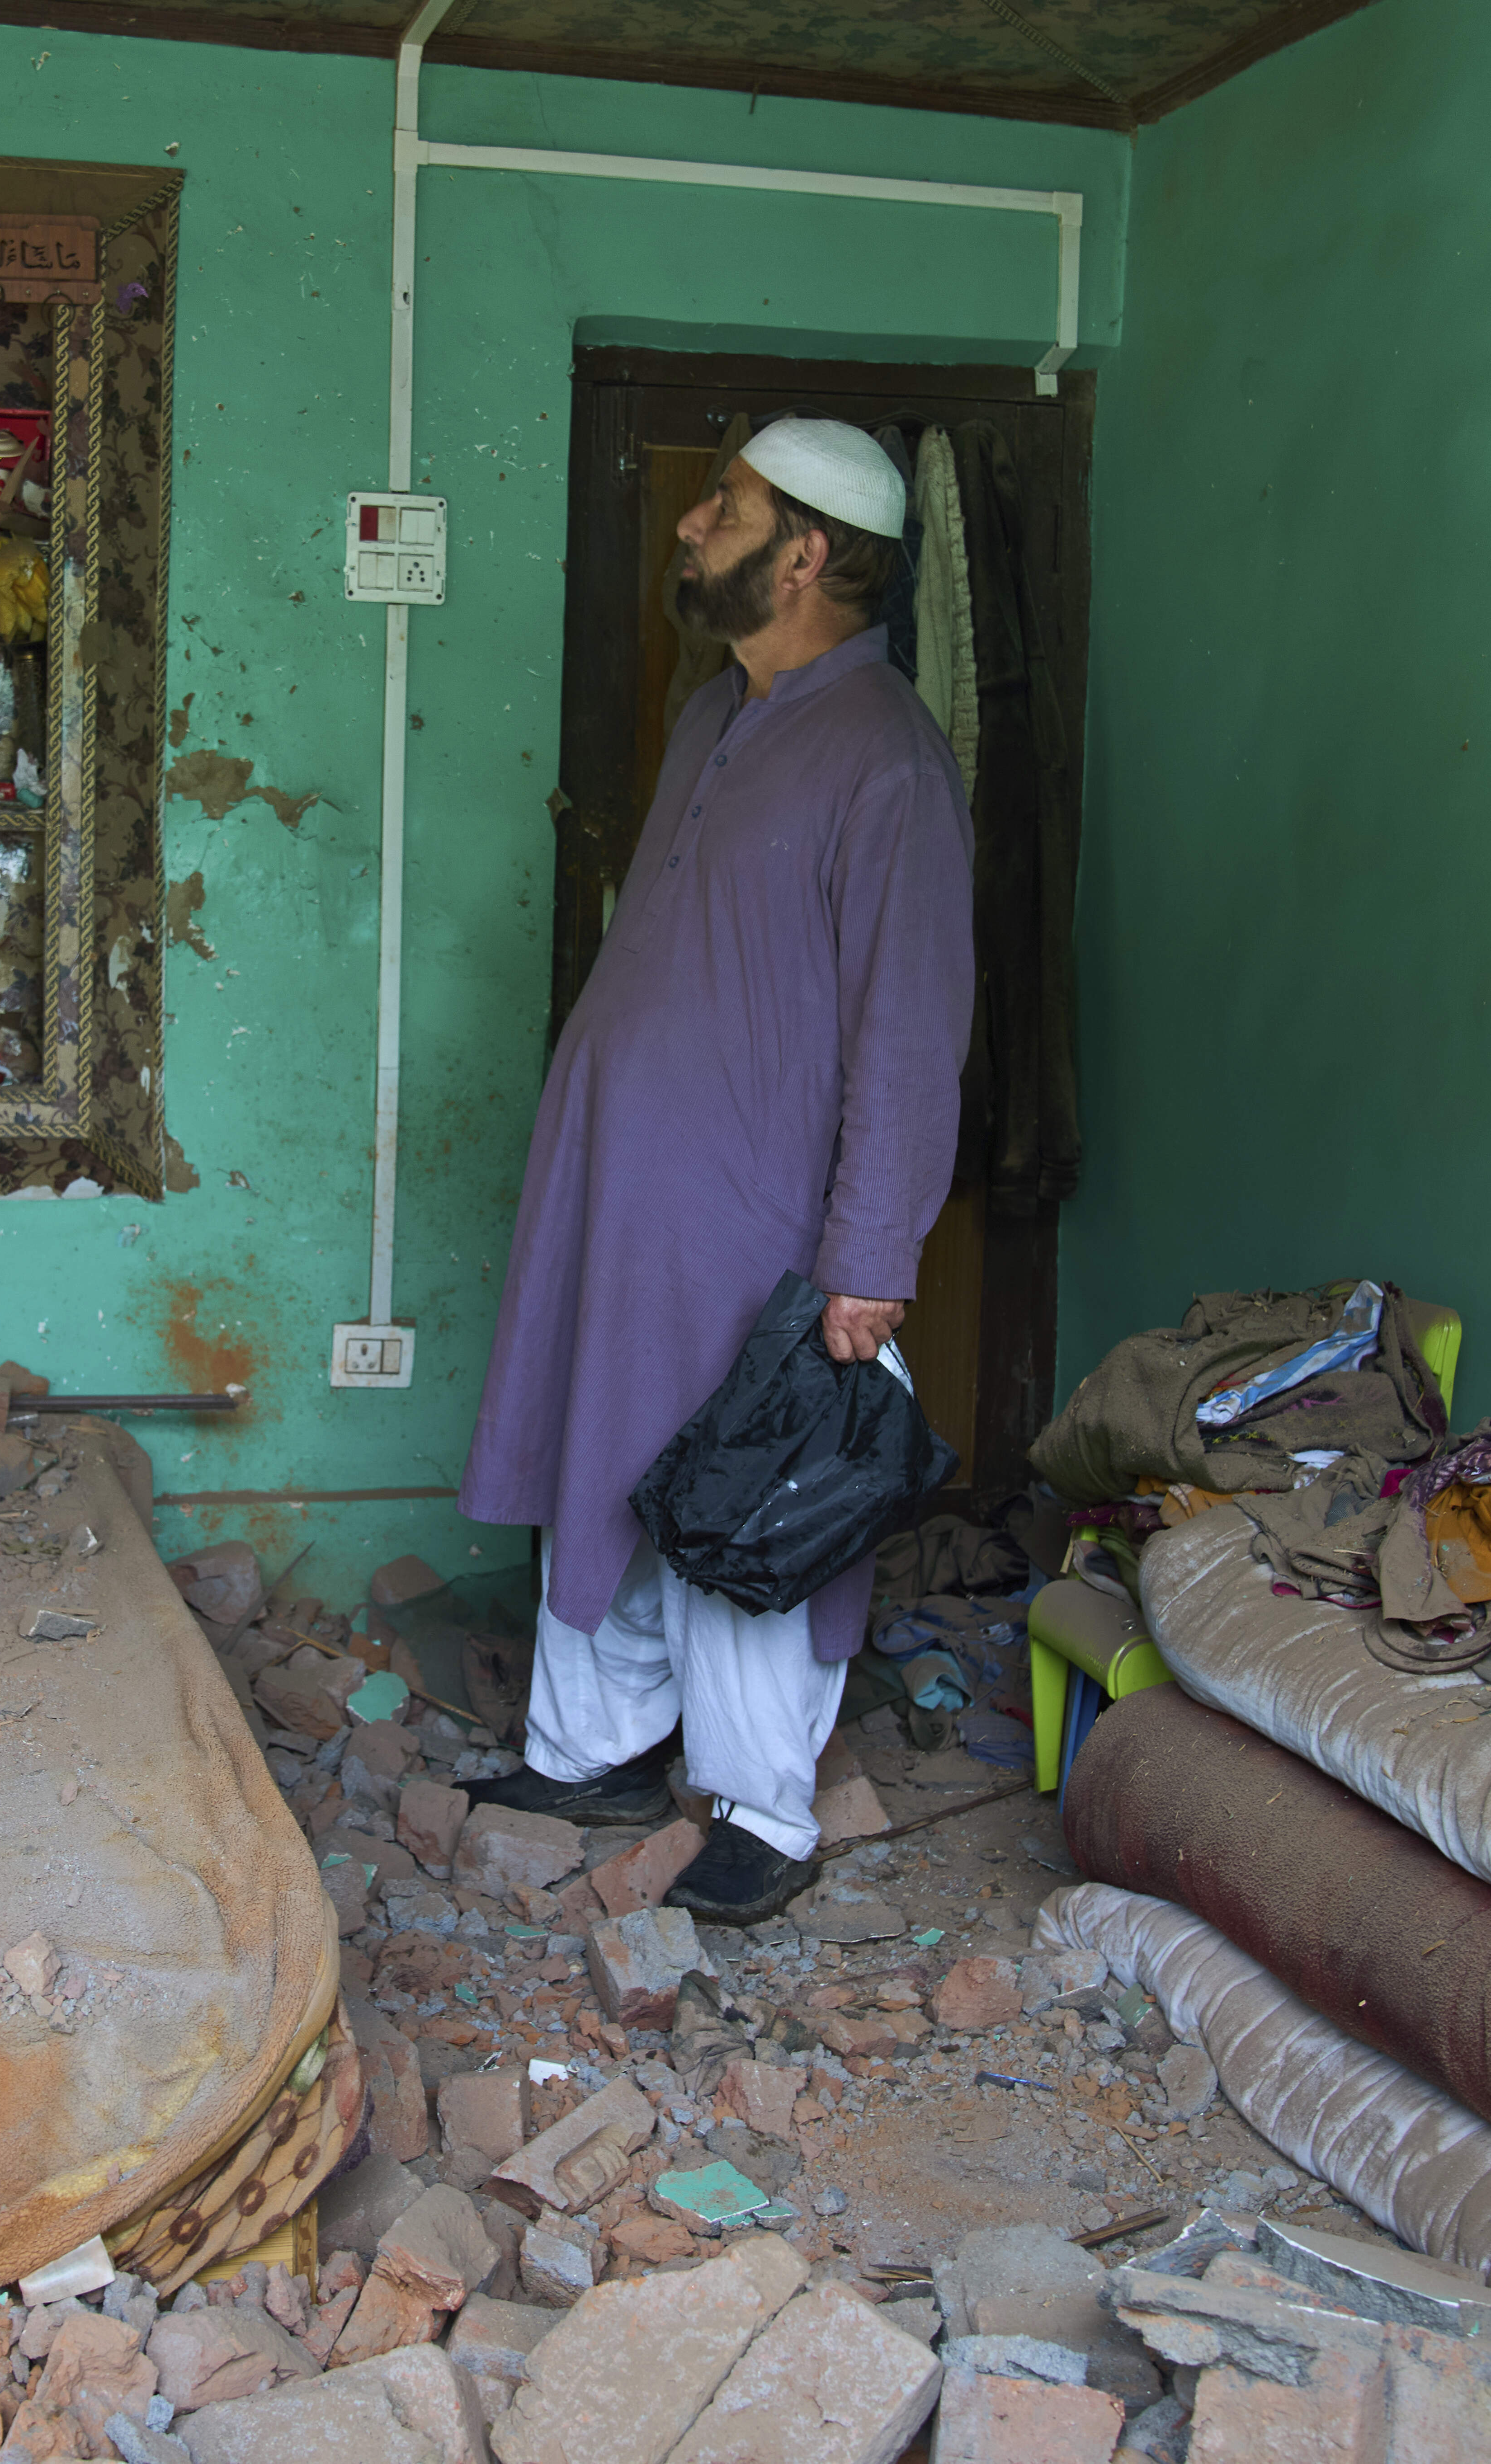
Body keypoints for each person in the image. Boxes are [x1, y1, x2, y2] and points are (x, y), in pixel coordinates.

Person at [456, 417, 977, 1924]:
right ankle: (592, 1747)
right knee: (604, 1456)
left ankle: (762, 1806)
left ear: (805, 553)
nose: (693, 524)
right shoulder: (714, 715)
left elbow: (906, 1027)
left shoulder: (886, 763)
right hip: (626, 1197)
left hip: (757, 1218)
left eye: (726, 507)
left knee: (746, 1490)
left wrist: (871, 1253)